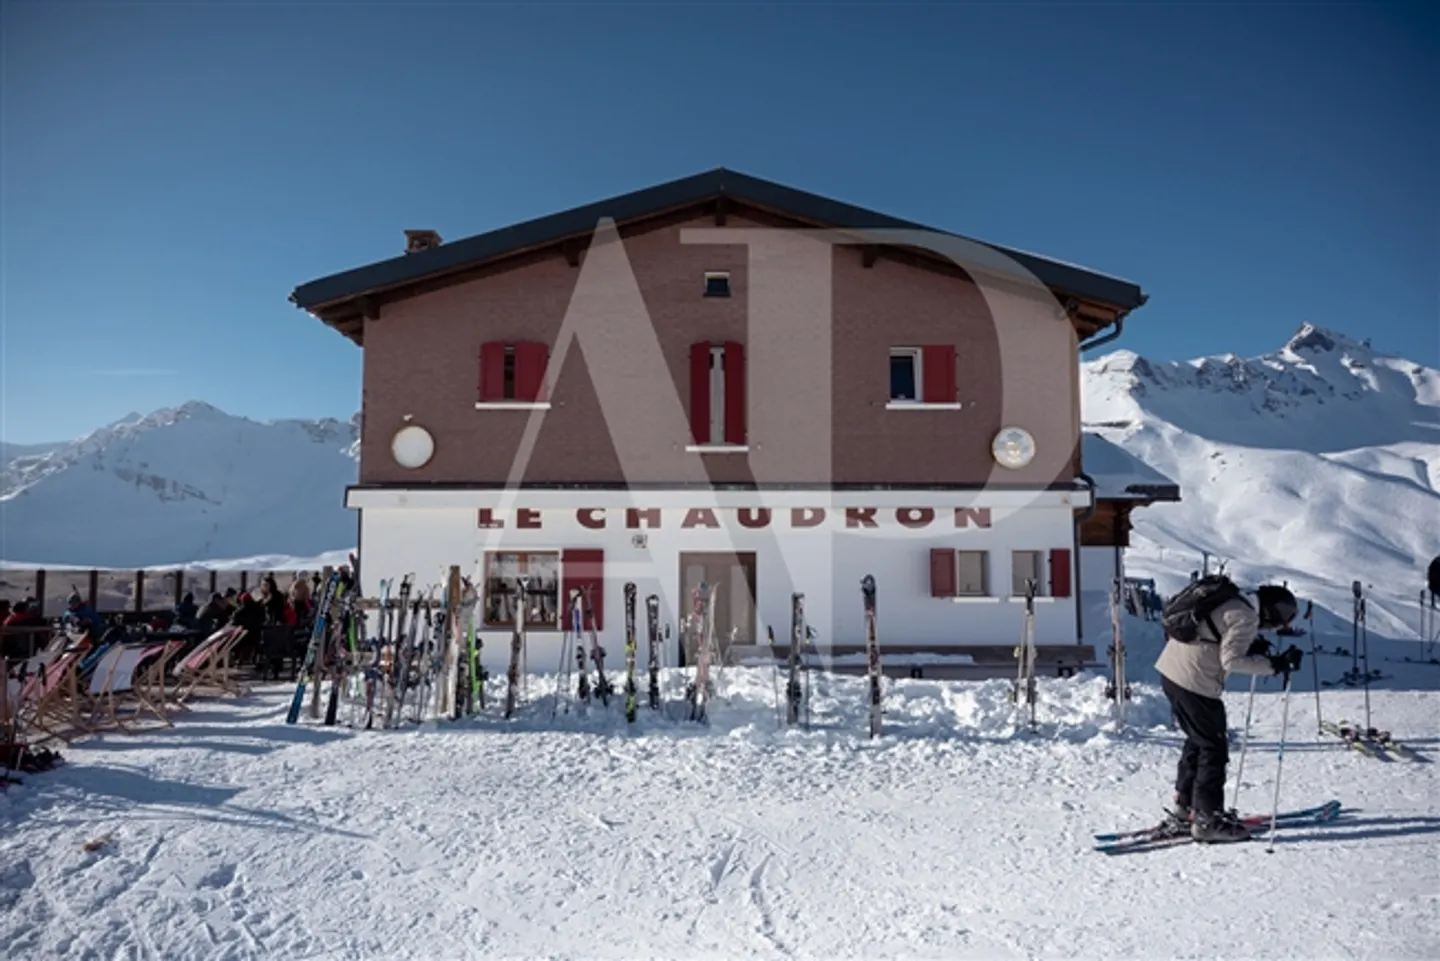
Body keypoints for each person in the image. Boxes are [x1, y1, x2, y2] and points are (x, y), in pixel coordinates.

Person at [1155, 581, 1303, 843]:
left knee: (1198, 743)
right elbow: (1232, 661)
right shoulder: (1246, 616)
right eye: (1276, 623)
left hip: (1172, 674)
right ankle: (1207, 820)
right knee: (1213, 748)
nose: (1270, 629)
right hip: (1195, 682)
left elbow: (1216, 634)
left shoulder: (1232, 599)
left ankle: (1185, 810)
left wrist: (1251, 648)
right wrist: (1275, 664)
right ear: (1272, 613)